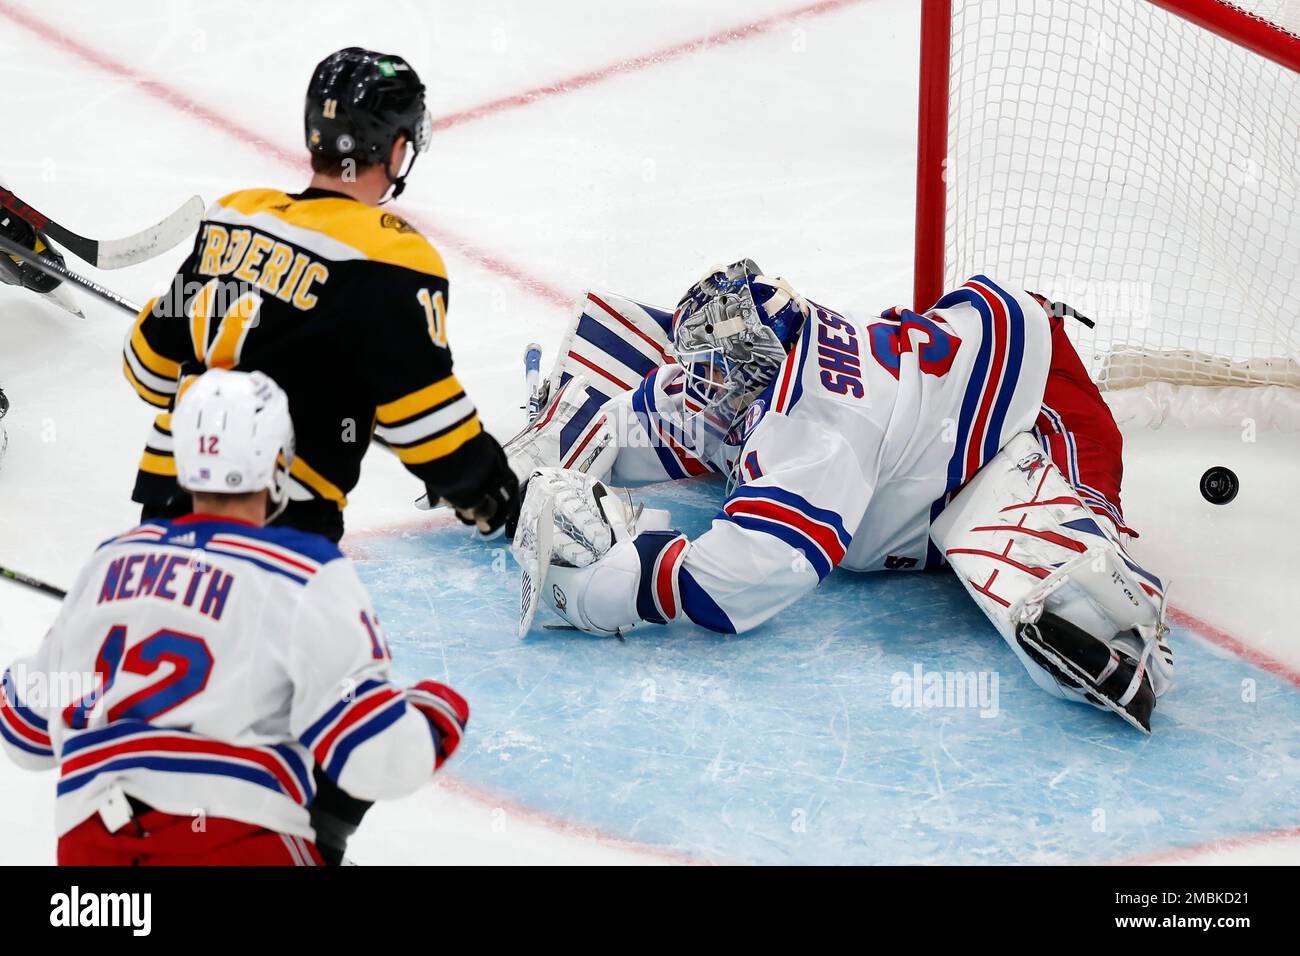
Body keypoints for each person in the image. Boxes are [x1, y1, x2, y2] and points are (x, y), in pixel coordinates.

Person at [509, 260, 1175, 732]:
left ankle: (1129, 612)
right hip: (968, 340)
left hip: (1035, 396)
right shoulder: (755, 374)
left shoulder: (818, 428)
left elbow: (754, 575)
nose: (703, 389)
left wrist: (624, 582)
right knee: (685, 414)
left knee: (1087, 622)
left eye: (717, 378)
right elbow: (650, 416)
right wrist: (521, 468)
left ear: (760, 375)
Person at [0, 369, 470, 865]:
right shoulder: (304, 571)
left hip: (93, 855)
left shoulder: (111, 561)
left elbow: (24, 733)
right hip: (233, 845)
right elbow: (374, 760)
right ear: (278, 462)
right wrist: (434, 718)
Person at [123, 46, 518, 545]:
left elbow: (146, 368)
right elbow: (425, 424)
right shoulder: (391, 255)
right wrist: (490, 490)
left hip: (168, 496)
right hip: (279, 519)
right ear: (396, 148)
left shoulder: (236, 214)